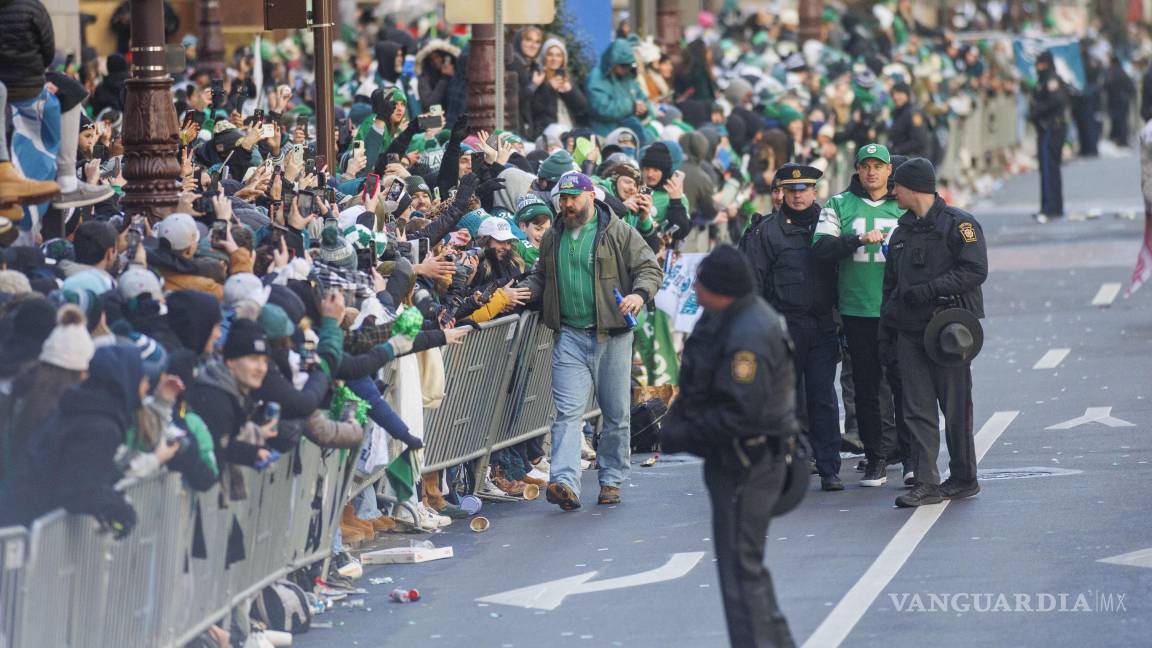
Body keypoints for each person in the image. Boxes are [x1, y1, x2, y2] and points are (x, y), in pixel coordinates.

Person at [660, 245, 796, 648]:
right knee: (744, 569)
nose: (695, 288)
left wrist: (679, 435)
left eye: (701, 282)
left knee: (741, 573)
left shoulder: (748, 336)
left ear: (721, 288)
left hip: (747, 461)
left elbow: (742, 413)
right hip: (735, 459)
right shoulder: (727, 318)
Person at [520, 172, 662, 510]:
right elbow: (542, 277)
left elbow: (650, 268)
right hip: (569, 333)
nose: (566, 205)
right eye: (562, 199)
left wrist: (638, 296)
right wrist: (525, 293)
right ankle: (565, 482)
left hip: (611, 335)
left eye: (573, 198)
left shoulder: (618, 231)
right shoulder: (553, 236)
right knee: (568, 413)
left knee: (615, 413)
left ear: (590, 197)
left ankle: (611, 479)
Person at [882, 158, 987, 508]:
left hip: (948, 330)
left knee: (955, 408)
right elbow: (891, 287)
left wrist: (929, 289)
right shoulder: (901, 232)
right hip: (909, 331)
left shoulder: (960, 225)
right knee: (916, 408)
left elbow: (974, 270)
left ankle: (963, 477)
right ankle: (926, 481)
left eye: (896, 184)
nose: (891, 190)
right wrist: (887, 333)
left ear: (913, 188)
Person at [813, 144, 909, 486]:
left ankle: (910, 456)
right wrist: (855, 239)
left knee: (904, 384)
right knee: (866, 387)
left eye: (878, 166)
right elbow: (821, 247)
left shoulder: (903, 203)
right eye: (865, 166)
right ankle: (876, 457)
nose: (871, 172)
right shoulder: (839, 204)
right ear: (857, 169)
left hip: (897, 308)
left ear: (888, 171)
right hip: (857, 310)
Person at [743, 164, 842, 491]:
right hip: (785, 325)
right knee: (787, 400)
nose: (798, 196)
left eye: (804, 190)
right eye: (792, 190)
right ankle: (794, 464)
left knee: (822, 397)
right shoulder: (766, 231)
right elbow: (753, 282)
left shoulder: (830, 224)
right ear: (783, 192)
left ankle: (829, 468)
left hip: (822, 323)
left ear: (815, 191)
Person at [1029, 51, 1068, 222]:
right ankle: (1051, 205)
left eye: (1040, 64)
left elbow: (1056, 100)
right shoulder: (1042, 80)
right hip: (1046, 128)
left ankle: (1051, 207)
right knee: (1048, 168)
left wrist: (1038, 110)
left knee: (1049, 168)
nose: (1038, 68)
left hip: (1052, 128)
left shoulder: (1051, 79)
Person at [886, 83, 931, 157]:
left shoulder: (914, 113)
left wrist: (896, 150)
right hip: (900, 157)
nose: (895, 97)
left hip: (912, 159)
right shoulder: (898, 112)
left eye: (899, 93)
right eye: (893, 94)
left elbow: (918, 141)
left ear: (907, 95)